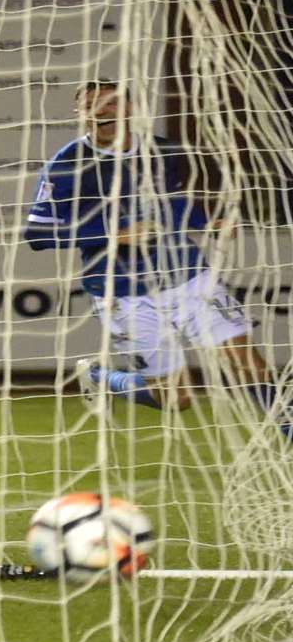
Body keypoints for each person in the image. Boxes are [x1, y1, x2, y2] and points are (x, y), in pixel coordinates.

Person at [25, 79, 281, 422]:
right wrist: (114, 235)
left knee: (252, 367)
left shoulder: (162, 150)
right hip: (123, 293)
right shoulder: (66, 164)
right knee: (176, 399)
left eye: (111, 103)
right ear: (80, 115)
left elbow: (172, 203)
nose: (101, 111)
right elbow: (37, 233)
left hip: (189, 278)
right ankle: (101, 378)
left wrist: (207, 223)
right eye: (90, 106)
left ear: (130, 109)